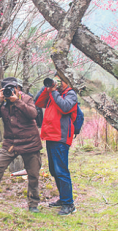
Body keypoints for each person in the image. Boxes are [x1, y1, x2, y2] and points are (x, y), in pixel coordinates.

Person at [0, 77, 42, 213]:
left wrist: (18, 101)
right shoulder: (3, 102)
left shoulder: (26, 99)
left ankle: (33, 203)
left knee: (33, 174)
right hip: (11, 143)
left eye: (13, 88)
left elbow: (33, 114)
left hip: (30, 142)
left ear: (18, 88)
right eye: (7, 89)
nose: (11, 92)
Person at [35, 73, 78, 216]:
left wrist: (53, 92)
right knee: (54, 170)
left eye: (60, 79)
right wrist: (47, 88)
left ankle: (69, 204)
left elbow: (65, 108)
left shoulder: (70, 94)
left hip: (60, 137)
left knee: (61, 170)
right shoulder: (54, 94)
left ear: (66, 81)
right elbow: (38, 102)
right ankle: (63, 198)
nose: (57, 82)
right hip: (50, 137)